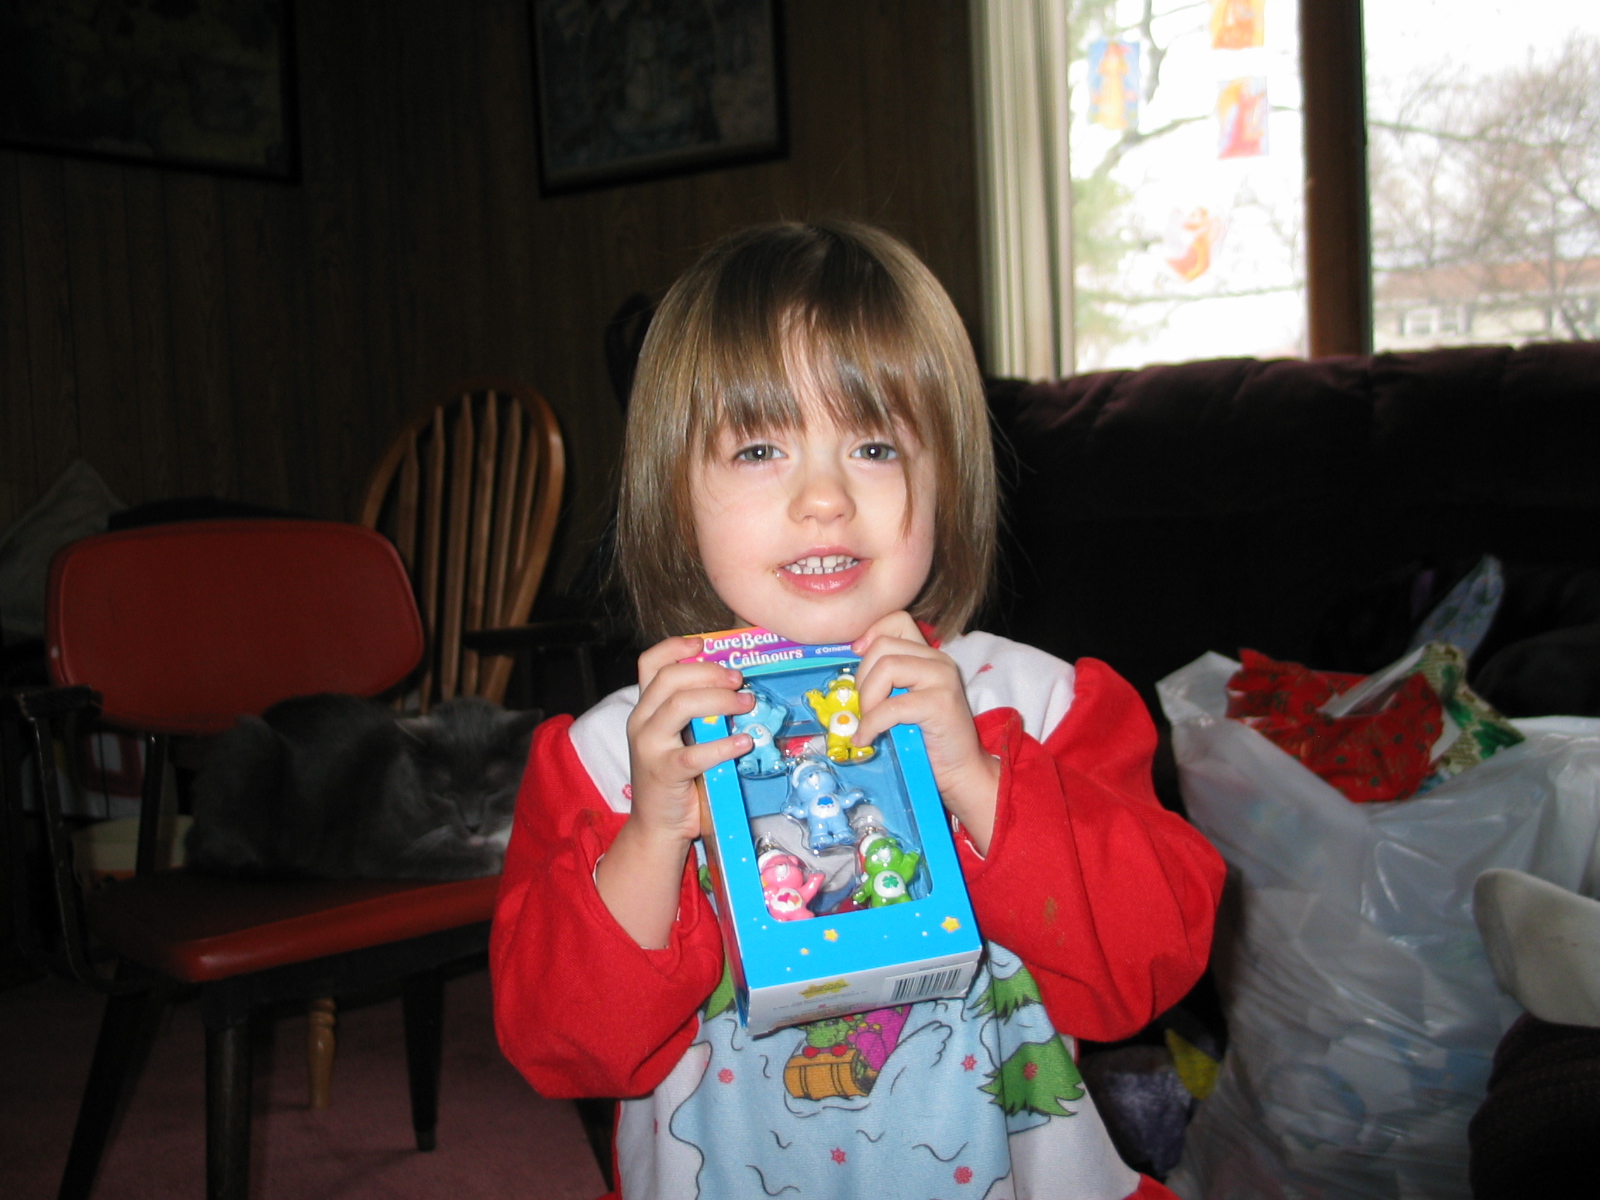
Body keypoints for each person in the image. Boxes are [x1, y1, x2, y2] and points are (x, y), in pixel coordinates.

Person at [491, 219, 1225, 1200]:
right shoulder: (612, 758)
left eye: (874, 445)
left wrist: (977, 779)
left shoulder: (1042, 705)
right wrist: (652, 837)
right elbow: (562, 1044)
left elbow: (1149, 966)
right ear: (674, 493)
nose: (824, 497)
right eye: (759, 448)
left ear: (945, 476)